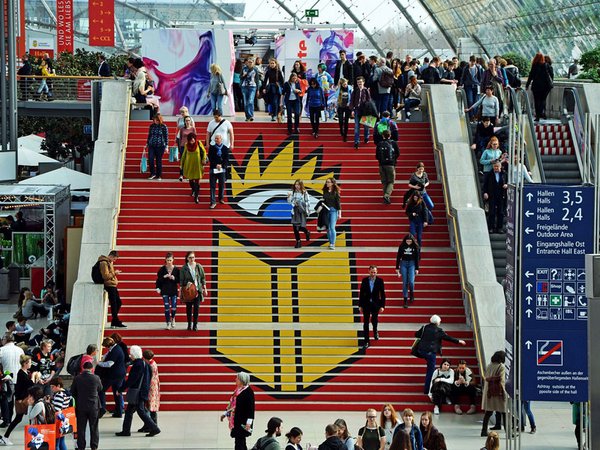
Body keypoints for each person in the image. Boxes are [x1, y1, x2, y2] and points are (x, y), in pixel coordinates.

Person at [414, 314, 466, 395]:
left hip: (421, 351)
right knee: (430, 372)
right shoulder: (439, 330)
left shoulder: (425, 327)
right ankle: (427, 390)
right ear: (437, 322)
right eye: (440, 321)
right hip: (430, 353)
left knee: (429, 365)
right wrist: (459, 341)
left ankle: (428, 388)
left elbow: (416, 334)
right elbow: (448, 338)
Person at [116, 346, 160, 437]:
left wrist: (121, 389)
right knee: (130, 412)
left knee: (140, 411)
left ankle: (154, 428)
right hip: (142, 391)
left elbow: (131, 380)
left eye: (131, 354)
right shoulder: (145, 364)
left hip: (137, 393)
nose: (130, 355)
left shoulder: (137, 365)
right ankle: (126, 431)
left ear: (133, 355)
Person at [0, 355, 34, 445]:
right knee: (18, 419)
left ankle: (5, 437)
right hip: (21, 400)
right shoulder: (21, 373)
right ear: (25, 363)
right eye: (30, 362)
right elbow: (30, 384)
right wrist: (34, 376)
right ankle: (5, 437)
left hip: (24, 399)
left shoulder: (26, 372)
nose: (31, 364)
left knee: (22, 418)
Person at [71, 361, 102, 450]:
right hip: (93, 407)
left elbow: (73, 391)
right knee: (94, 427)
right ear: (92, 369)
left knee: (81, 428)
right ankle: (94, 446)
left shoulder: (77, 378)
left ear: (83, 368)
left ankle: (81, 446)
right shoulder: (96, 378)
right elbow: (100, 388)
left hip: (81, 406)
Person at [221, 372, 255, 450]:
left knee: (239, 442)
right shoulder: (238, 390)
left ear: (242, 380)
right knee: (240, 441)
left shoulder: (249, 392)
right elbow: (232, 404)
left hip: (243, 422)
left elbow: (251, 409)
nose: (235, 379)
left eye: (237, 378)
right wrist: (225, 413)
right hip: (236, 420)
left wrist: (248, 423)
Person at [96, 336, 126, 418]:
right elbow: (108, 354)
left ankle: (102, 408)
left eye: (106, 347)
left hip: (113, 375)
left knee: (101, 390)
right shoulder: (117, 348)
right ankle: (119, 411)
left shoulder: (115, 351)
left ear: (108, 346)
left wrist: (98, 363)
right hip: (120, 375)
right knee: (117, 393)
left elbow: (109, 364)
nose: (106, 348)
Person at [480, 351, 508, 436]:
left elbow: (486, 377)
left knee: (488, 413)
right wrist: (504, 393)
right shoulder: (501, 366)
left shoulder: (489, 365)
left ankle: (484, 431)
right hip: (498, 393)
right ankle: (509, 433)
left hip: (489, 392)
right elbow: (502, 381)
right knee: (504, 412)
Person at [358, 265, 386, 349]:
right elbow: (361, 293)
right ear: (368, 271)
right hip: (366, 304)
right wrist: (360, 305)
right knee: (365, 323)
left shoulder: (380, 281)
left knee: (374, 320)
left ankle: (375, 331)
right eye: (371, 272)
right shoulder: (364, 280)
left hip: (375, 304)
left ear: (377, 272)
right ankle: (366, 341)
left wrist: (382, 306)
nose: (373, 274)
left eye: (374, 272)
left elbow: (383, 294)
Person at [97, 250, 126, 328]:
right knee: (114, 303)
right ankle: (115, 320)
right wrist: (115, 273)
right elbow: (105, 276)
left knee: (118, 303)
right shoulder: (104, 263)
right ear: (111, 256)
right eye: (114, 259)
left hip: (112, 285)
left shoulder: (109, 262)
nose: (115, 261)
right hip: (109, 285)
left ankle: (114, 320)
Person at [179, 251, 207, 331]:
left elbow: (203, 278)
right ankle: (189, 324)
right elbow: (181, 281)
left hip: (197, 291)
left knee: (196, 309)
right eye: (190, 257)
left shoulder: (198, 266)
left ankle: (195, 325)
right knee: (188, 309)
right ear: (187, 258)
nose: (192, 259)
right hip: (188, 292)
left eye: (193, 257)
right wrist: (181, 290)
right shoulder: (184, 268)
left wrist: (205, 289)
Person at [526, 52, 554, 121]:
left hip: (536, 86)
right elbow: (552, 75)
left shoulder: (535, 65)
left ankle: (537, 116)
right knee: (543, 100)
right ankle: (541, 113)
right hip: (546, 86)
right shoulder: (547, 65)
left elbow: (530, 76)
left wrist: (527, 85)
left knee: (537, 100)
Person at [180, 132, 207, 204]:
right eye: (191, 139)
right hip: (189, 166)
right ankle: (193, 190)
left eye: (193, 139)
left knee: (197, 181)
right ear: (188, 140)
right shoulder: (186, 145)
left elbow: (204, 152)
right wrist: (181, 165)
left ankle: (196, 197)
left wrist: (204, 159)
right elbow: (184, 155)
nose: (192, 140)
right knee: (191, 181)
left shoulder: (199, 143)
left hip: (198, 165)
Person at [155, 252, 180, 330]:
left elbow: (179, 280)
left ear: (173, 260)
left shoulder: (176, 269)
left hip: (173, 290)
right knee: (166, 307)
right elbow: (158, 280)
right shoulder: (162, 269)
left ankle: (173, 318)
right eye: (167, 260)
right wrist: (164, 277)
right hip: (165, 290)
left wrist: (174, 278)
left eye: (170, 260)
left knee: (173, 307)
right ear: (165, 260)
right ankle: (168, 322)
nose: (169, 262)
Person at [482, 161, 508, 233]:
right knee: (492, 212)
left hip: (501, 196)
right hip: (491, 195)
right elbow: (485, 185)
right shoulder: (489, 174)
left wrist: (506, 185)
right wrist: (485, 193)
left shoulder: (504, 174)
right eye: (495, 167)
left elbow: (508, 182)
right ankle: (491, 227)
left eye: (497, 166)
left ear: (500, 167)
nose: (496, 168)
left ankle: (499, 228)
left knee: (501, 212)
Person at [376, 129, 400, 205]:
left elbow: (377, 156)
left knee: (384, 182)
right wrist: (393, 159)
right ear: (390, 135)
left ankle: (386, 197)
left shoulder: (379, 144)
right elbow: (398, 153)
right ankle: (387, 196)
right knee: (391, 182)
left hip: (381, 165)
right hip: (390, 165)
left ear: (382, 135)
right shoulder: (393, 143)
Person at [396, 234, 420, 307]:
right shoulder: (402, 246)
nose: (408, 241)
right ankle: (405, 300)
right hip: (403, 263)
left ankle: (412, 293)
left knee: (411, 282)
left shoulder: (415, 247)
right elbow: (398, 257)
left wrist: (417, 268)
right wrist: (397, 268)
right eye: (407, 240)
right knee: (405, 282)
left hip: (412, 263)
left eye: (410, 240)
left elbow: (417, 258)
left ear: (412, 240)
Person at [208, 134, 230, 209]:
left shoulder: (225, 148)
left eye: (218, 138)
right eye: (215, 139)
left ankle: (221, 198)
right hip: (213, 169)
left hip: (222, 169)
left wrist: (222, 165)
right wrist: (216, 164)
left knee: (221, 185)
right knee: (212, 186)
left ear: (221, 139)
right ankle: (213, 201)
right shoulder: (212, 148)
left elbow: (227, 159)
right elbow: (210, 158)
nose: (217, 140)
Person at [287, 180, 311, 248]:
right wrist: (289, 197)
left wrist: (301, 203)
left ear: (301, 185)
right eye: (296, 184)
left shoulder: (304, 192)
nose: (296, 186)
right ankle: (298, 241)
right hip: (294, 212)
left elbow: (308, 202)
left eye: (298, 184)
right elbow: (289, 202)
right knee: (295, 227)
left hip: (301, 212)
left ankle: (306, 231)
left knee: (300, 226)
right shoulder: (293, 192)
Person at [49, 378, 71, 450]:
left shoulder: (59, 395)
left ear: (58, 385)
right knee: (61, 441)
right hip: (63, 420)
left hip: (58, 421)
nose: (51, 389)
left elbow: (57, 410)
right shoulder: (66, 392)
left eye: (53, 387)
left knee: (56, 444)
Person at [350, 76, 372, 149]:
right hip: (357, 110)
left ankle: (366, 137)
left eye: (360, 82)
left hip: (365, 111)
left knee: (366, 126)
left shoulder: (366, 90)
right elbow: (352, 101)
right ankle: (356, 141)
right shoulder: (355, 90)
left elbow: (369, 101)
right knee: (357, 126)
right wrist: (352, 110)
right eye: (358, 82)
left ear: (363, 82)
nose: (359, 84)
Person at [145, 113, 169, 180]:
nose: (155, 121)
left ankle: (159, 175)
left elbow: (166, 137)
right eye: (154, 120)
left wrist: (167, 146)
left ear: (159, 120)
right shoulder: (152, 126)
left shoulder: (163, 126)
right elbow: (149, 135)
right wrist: (147, 144)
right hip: (151, 145)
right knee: (150, 159)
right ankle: (152, 173)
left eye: (157, 120)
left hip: (160, 146)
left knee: (158, 160)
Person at [141, 349, 160, 432]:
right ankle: (148, 424)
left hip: (151, 387)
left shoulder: (150, 366)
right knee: (150, 407)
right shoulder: (153, 363)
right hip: (154, 386)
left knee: (150, 408)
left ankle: (151, 425)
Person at [323, 178, 341, 250]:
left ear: (332, 183)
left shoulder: (336, 192)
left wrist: (339, 213)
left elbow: (338, 203)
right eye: (326, 182)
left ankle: (333, 243)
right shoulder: (325, 191)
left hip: (334, 211)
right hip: (326, 210)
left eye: (328, 182)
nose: (327, 183)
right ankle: (330, 242)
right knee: (328, 228)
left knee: (332, 227)